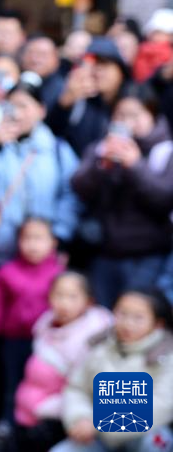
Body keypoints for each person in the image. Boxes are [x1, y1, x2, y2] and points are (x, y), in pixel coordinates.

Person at [70, 85, 173, 308]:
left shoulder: (166, 151)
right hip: (104, 251)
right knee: (102, 316)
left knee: (135, 313)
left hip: (148, 255)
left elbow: (164, 199)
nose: (127, 122)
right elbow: (79, 187)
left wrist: (135, 166)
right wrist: (102, 166)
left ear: (152, 114)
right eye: (121, 115)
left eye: (135, 115)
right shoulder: (102, 147)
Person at [0, 79, 80, 267]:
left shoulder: (57, 150)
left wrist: (58, 235)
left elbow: (71, 195)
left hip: (39, 255)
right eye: (11, 106)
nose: (16, 113)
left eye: (23, 106)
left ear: (41, 110)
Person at [0, 218, 64, 437]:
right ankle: (8, 419)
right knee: (11, 380)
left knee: (41, 382)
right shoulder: (7, 272)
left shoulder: (58, 275)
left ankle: (36, 423)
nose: (33, 245)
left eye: (39, 239)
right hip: (13, 339)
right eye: (27, 238)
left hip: (46, 342)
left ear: (53, 243)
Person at [55, 289, 173, 452]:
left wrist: (101, 422)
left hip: (142, 434)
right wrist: (81, 418)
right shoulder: (100, 346)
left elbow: (161, 405)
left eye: (138, 318)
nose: (127, 323)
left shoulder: (167, 355)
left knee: (157, 442)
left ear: (158, 323)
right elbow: (77, 388)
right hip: (96, 435)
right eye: (122, 314)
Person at [9, 272, 112, 452]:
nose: (64, 303)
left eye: (72, 297)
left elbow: (82, 387)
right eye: (59, 295)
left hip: (57, 416)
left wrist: (46, 408)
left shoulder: (91, 338)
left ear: (89, 302)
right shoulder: (45, 323)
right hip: (30, 407)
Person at [47, 38, 129, 156]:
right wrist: (64, 103)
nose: (98, 71)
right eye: (94, 65)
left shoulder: (131, 100)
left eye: (105, 64)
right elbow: (53, 133)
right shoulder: (81, 101)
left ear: (120, 71)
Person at [22, 35, 65, 109]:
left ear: (55, 58)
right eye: (30, 53)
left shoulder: (62, 89)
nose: (35, 59)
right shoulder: (16, 79)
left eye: (42, 54)